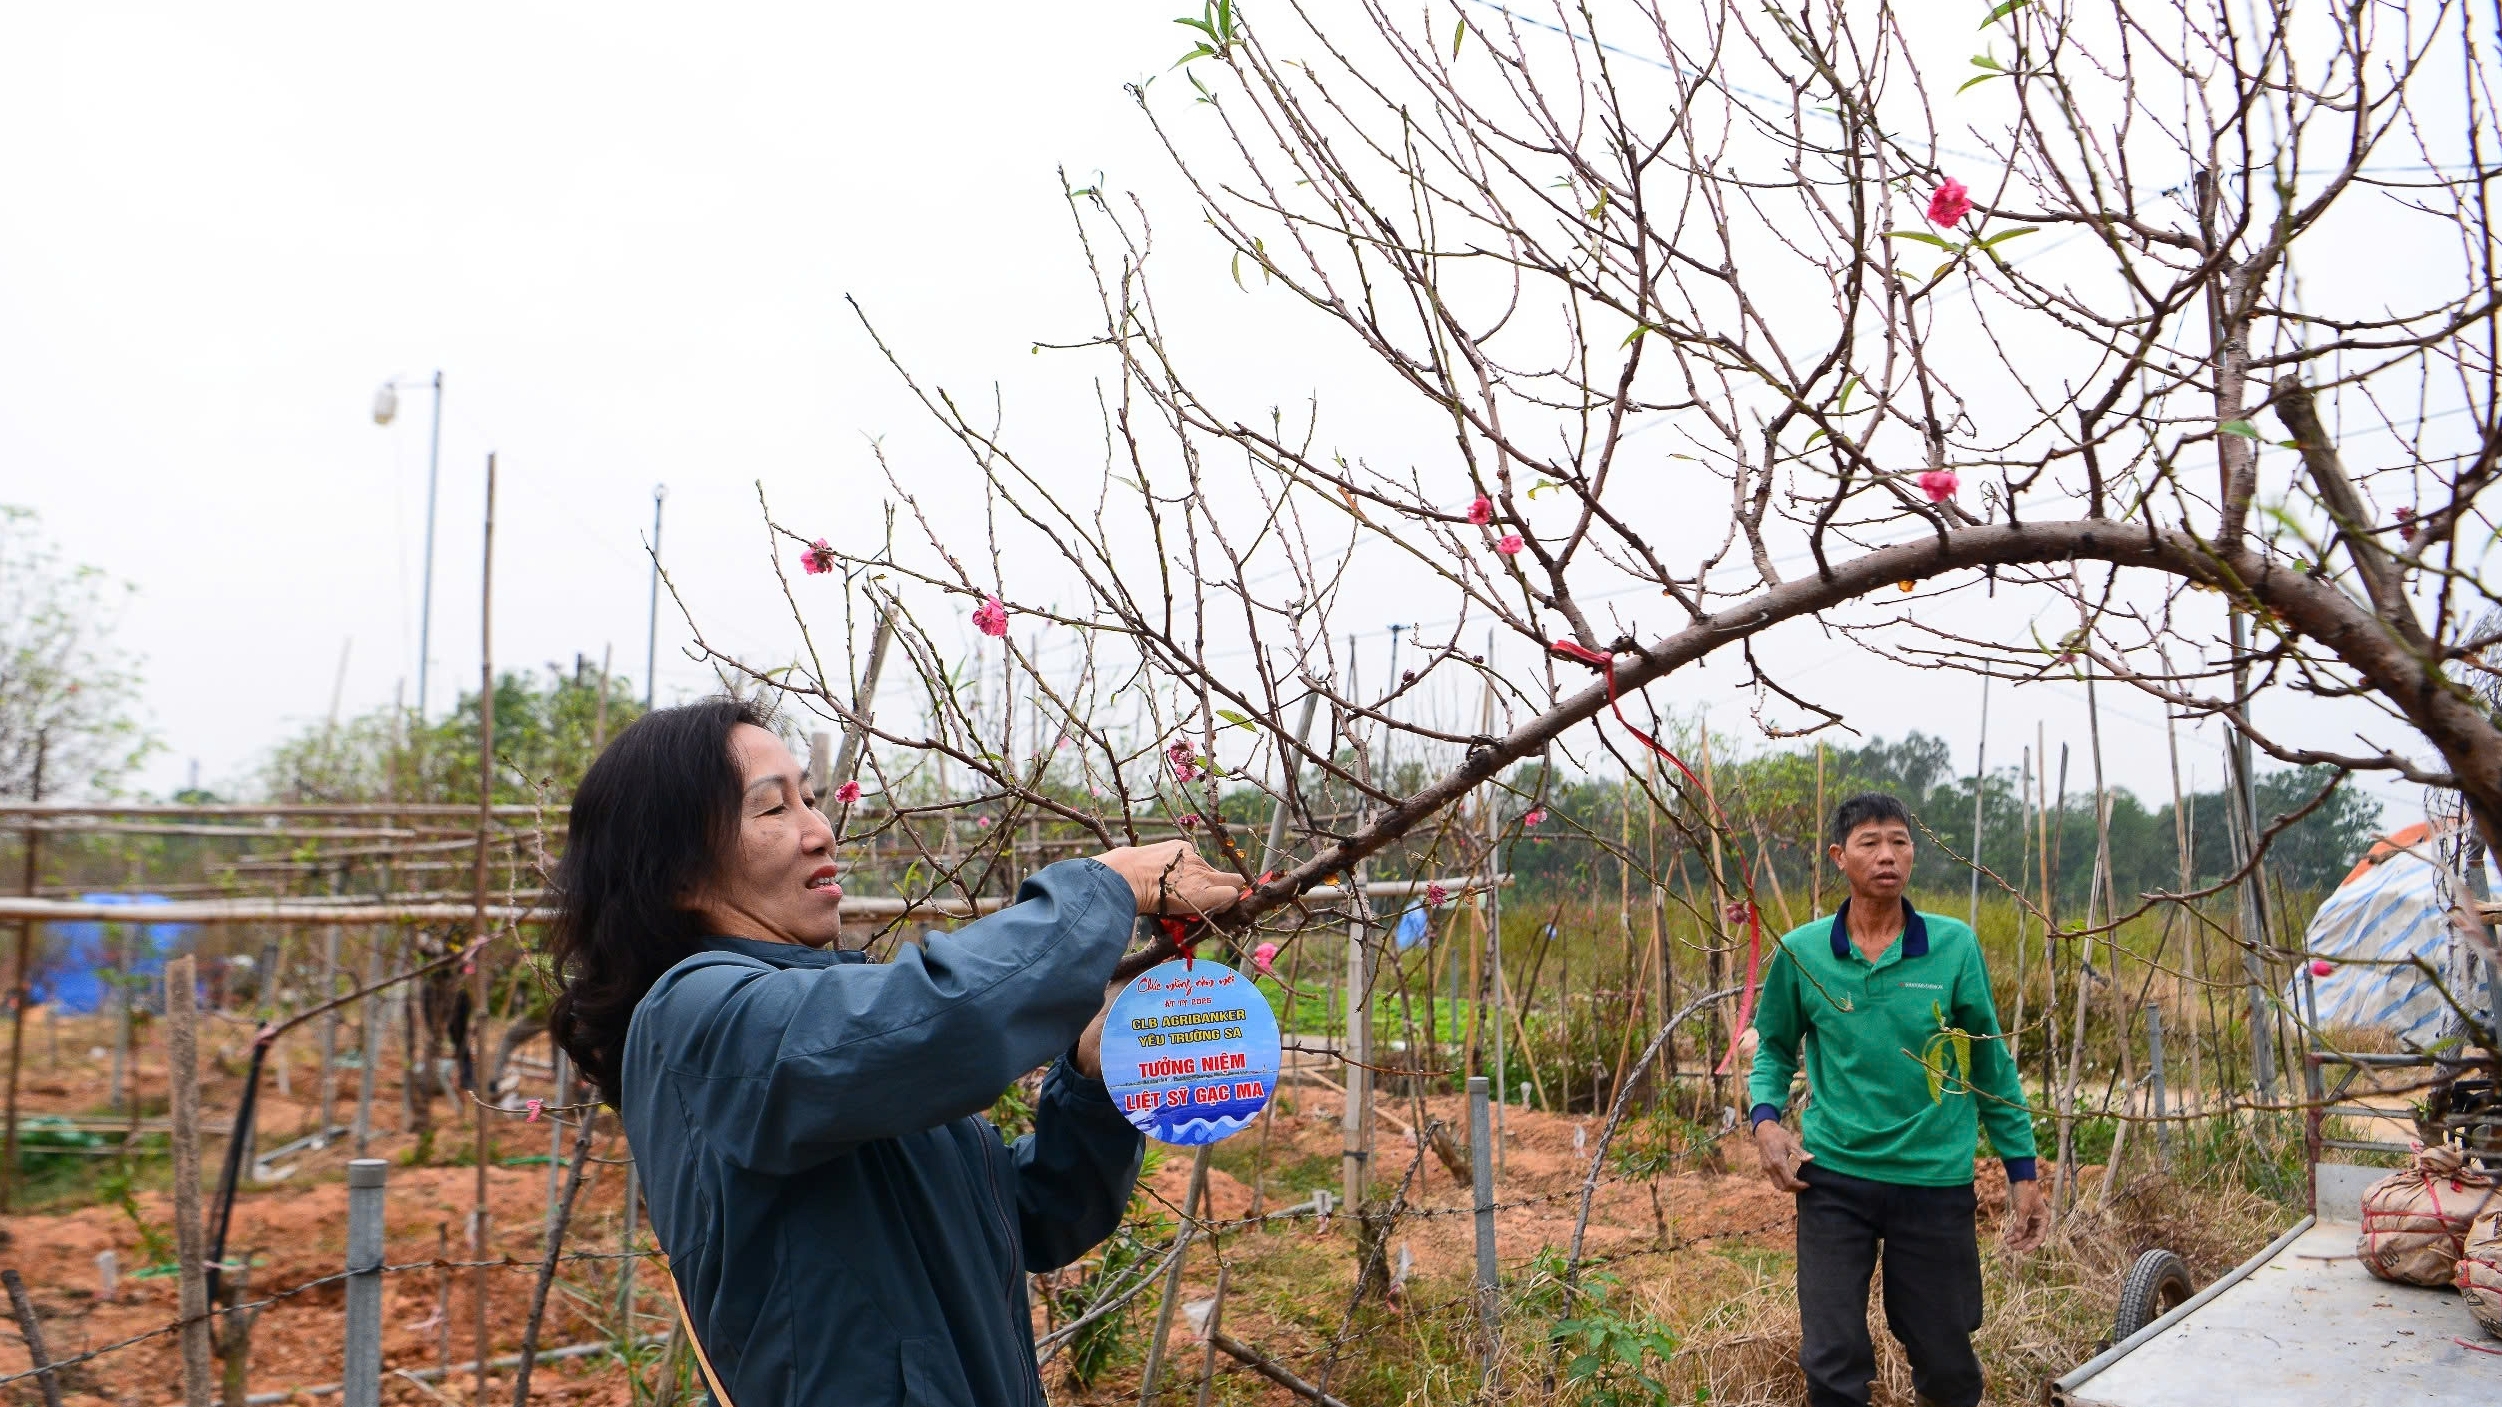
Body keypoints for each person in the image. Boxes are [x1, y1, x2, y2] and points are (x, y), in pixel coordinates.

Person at [546, 698, 1241, 1406]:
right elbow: (947, 1020)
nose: (820, 831)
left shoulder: (845, 1036)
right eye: (772, 808)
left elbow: (1029, 1216)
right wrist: (1107, 887)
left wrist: (1092, 1077)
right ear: (677, 873)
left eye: (811, 800)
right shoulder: (698, 1015)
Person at [1748, 792, 2050, 1407]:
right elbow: (1775, 1047)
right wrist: (1765, 1120)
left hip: (1933, 1180)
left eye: (1899, 841)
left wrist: (2023, 1171)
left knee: (1944, 1356)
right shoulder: (1803, 953)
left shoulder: (1952, 947)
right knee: (1831, 1361)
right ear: (1840, 856)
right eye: (1870, 843)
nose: (1887, 855)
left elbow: (1990, 1062)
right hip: (1832, 1179)